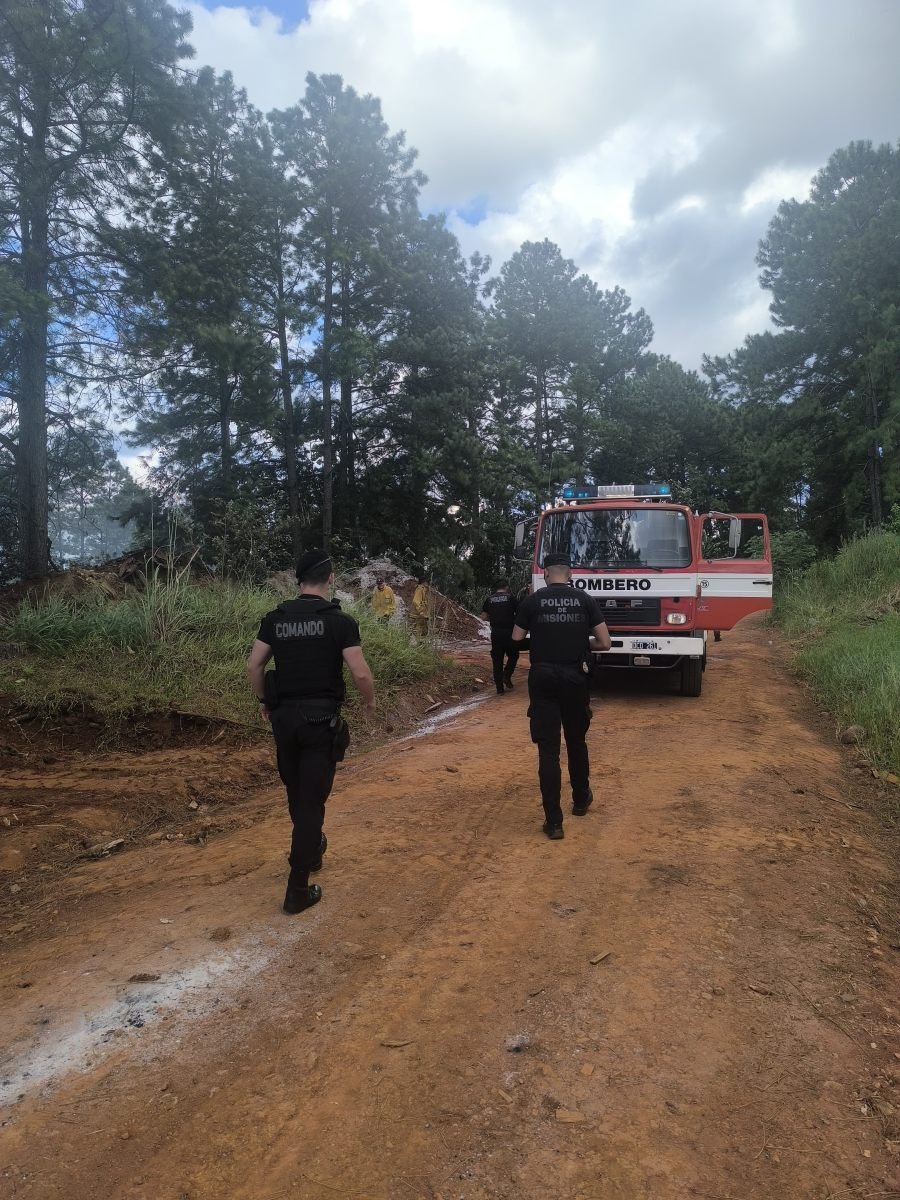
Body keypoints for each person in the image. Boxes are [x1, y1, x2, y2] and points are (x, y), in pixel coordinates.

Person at [247, 550, 376, 914]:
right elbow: (360, 672)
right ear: (330, 579)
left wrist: (263, 700)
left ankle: (311, 847)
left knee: (296, 791)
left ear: (298, 581)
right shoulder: (339, 621)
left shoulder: (276, 618)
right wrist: (368, 704)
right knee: (311, 801)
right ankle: (297, 888)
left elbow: (255, 664)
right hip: (320, 722)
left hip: (283, 720)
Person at [512, 553, 611, 840]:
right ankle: (581, 800)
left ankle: (554, 822)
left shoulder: (533, 601)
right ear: (569, 574)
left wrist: (543, 636)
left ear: (545, 574)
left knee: (548, 751)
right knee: (576, 741)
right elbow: (605, 642)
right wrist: (580, 640)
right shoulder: (584, 599)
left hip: (542, 677)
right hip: (574, 677)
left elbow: (517, 638)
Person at [480, 578, 519, 695]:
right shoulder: (510, 598)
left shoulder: (489, 599)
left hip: (496, 633)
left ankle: (499, 689)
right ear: (506, 587)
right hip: (509, 632)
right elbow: (519, 612)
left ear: (496, 588)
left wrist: (493, 619)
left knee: (497, 660)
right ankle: (506, 675)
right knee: (513, 655)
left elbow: (483, 616)